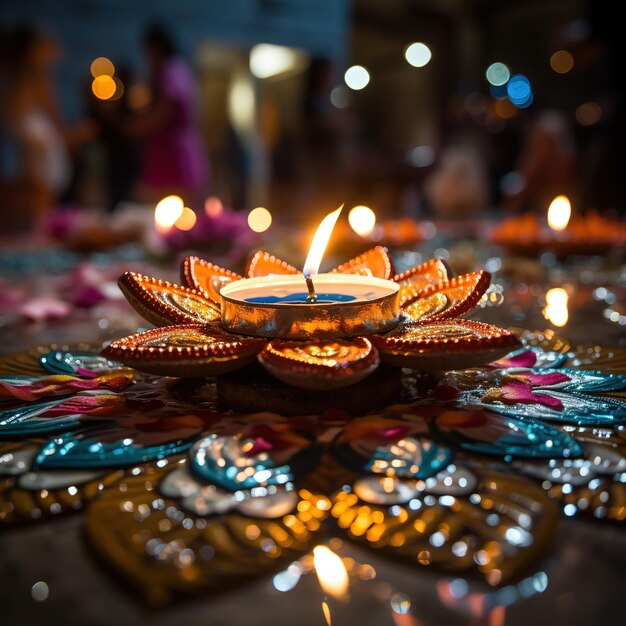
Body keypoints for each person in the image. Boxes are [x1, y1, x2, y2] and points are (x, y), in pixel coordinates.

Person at [0, 24, 72, 232]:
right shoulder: (35, 78)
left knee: (37, 194)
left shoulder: (21, 77)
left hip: (34, 138)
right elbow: (53, 114)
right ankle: (37, 232)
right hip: (39, 139)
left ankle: (35, 230)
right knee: (39, 194)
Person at [130, 25, 210, 208]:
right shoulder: (178, 70)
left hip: (174, 160)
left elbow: (163, 113)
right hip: (169, 157)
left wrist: (133, 128)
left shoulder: (170, 70)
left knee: (178, 219)